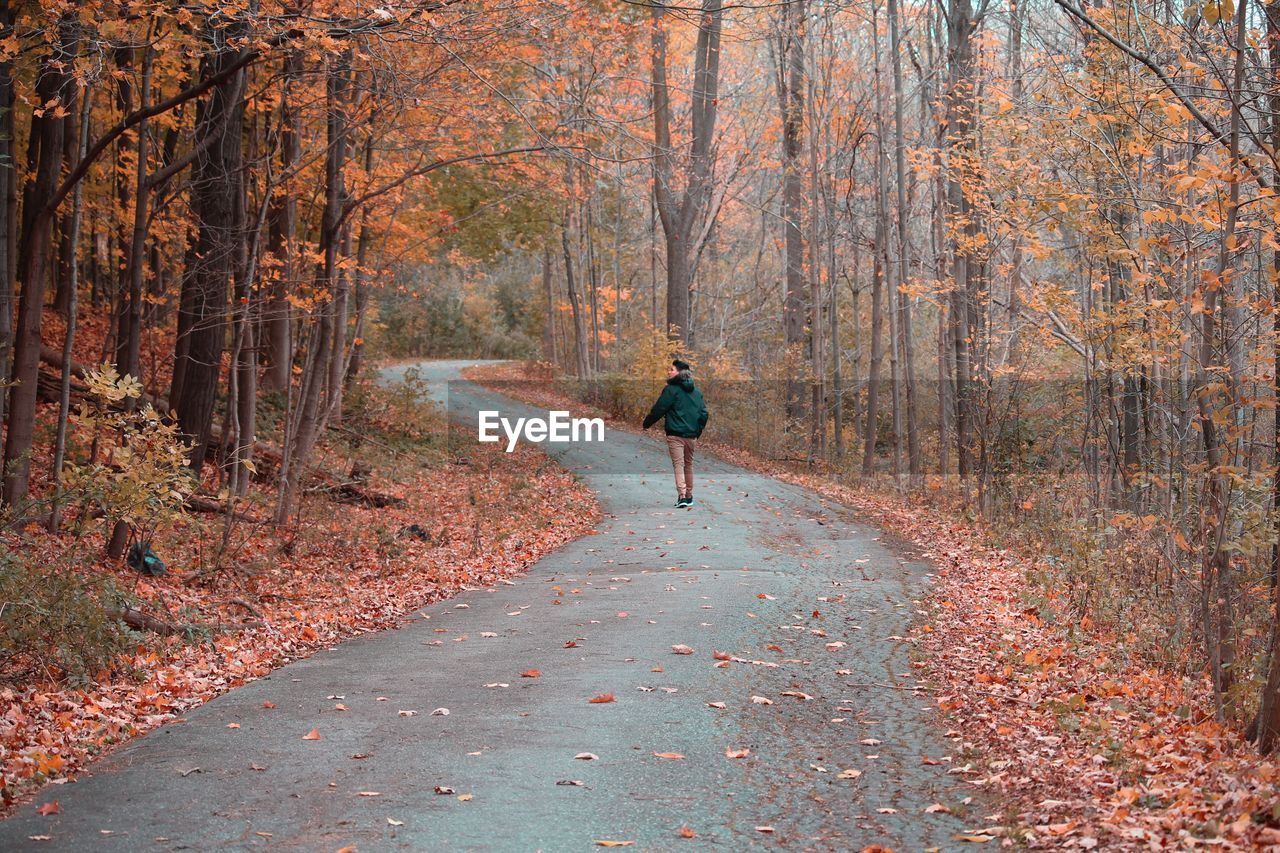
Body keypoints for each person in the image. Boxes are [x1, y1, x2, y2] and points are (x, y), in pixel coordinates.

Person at [642, 358, 709, 508]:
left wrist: (647, 423)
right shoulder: (696, 392)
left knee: (679, 465)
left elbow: (659, 408)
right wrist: (697, 431)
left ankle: (682, 496)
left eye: (671, 369)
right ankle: (689, 496)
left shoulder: (671, 390)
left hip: (675, 435)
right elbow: (704, 414)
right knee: (688, 465)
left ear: (679, 372)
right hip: (692, 435)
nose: (668, 371)